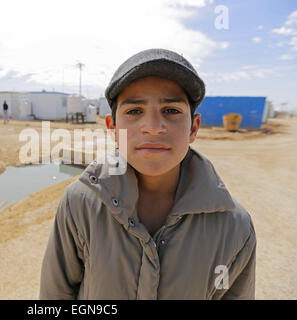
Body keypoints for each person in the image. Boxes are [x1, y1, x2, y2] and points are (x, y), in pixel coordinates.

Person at [39, 48, 256, 300]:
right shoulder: (80, 204)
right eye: (134, 111)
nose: (153, 128)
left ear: (193, 128)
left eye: (171, 110)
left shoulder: (234, 227)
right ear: (113, 128)